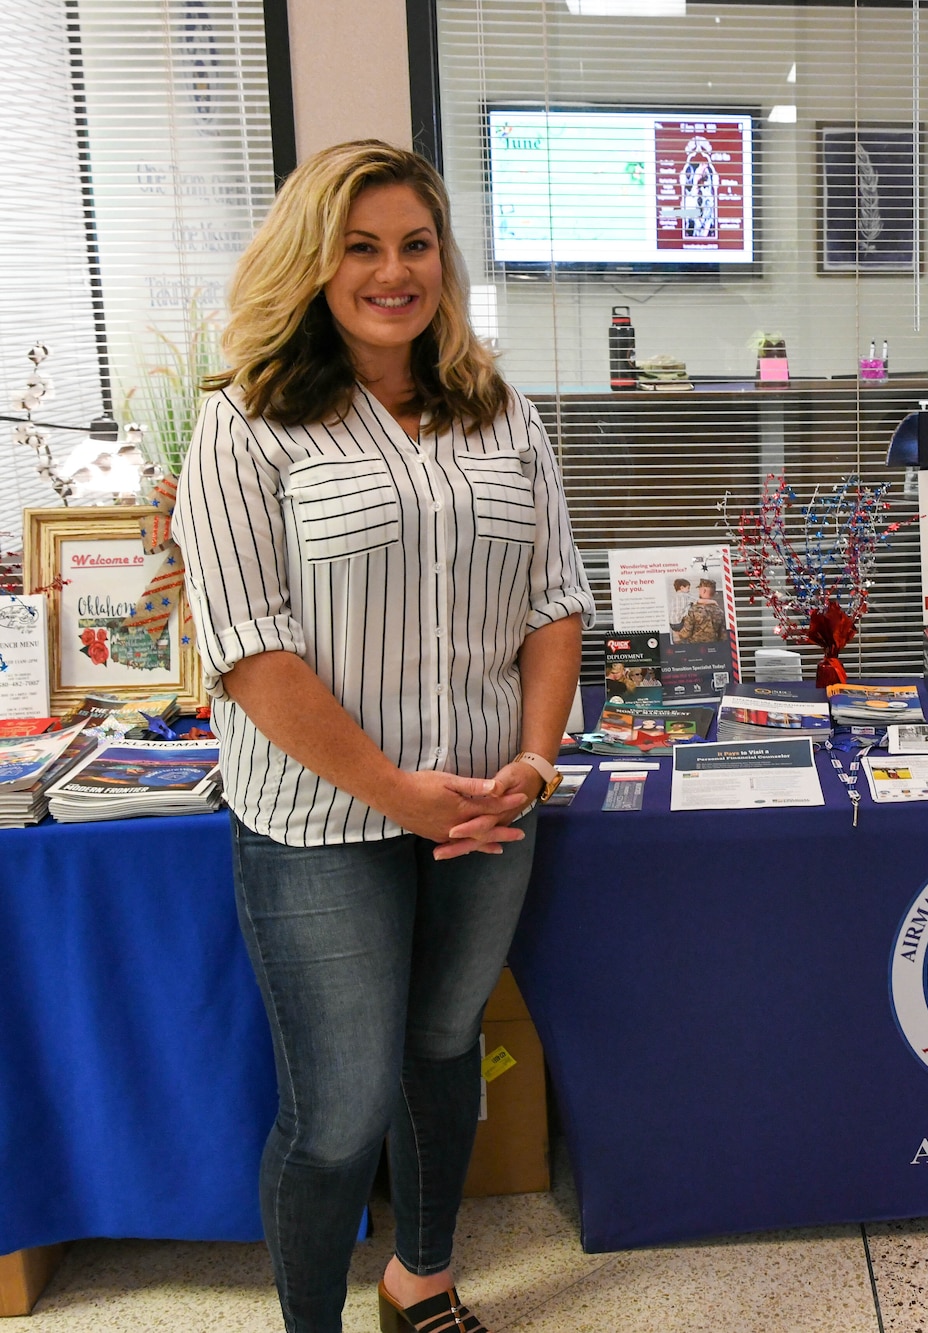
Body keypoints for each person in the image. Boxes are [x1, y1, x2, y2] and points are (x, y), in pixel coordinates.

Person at [176, 140, 594, 1333]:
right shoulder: (247, 422)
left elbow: (554, 601)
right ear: (313, 262)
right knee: (339, 1110)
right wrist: (393, 792)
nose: (392, 271)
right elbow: (252, 651)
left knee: (444, 1051)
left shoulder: (499, 410)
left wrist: (533, 758)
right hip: (319, 820)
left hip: (485, 805)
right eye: (360, 246)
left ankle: (421, 1277)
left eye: (415, 244)